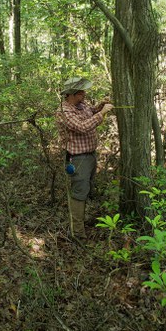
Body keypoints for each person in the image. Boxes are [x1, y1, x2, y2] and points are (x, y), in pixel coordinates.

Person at [56, 76, 113, 240]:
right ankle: (78, 233)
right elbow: (82, 127)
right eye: (81, 92)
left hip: (89, 156)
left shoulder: (81, 105)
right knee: (79, 194)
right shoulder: (63, 112)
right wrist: (102, 113)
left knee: (86, 190)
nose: (84, 94)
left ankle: (81, 223)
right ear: (72, 94)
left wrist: (100, 107)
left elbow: (91, 113)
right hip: (77, 159)